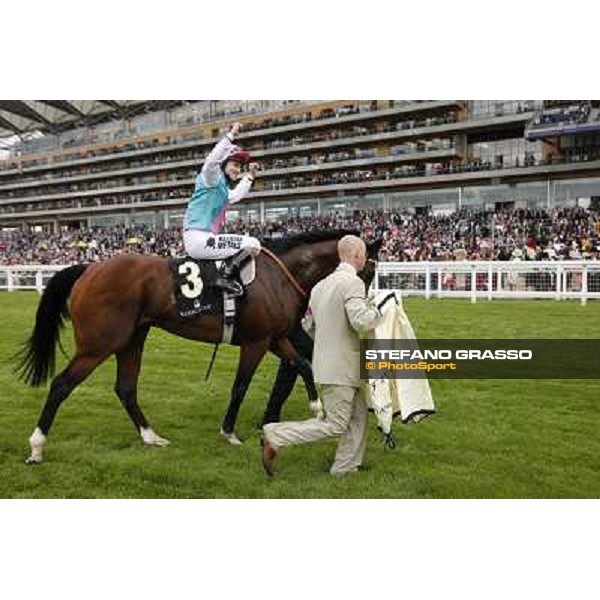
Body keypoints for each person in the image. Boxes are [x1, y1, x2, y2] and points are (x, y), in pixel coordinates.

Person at [262, 235, 383, 476]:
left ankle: (345, 467)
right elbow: (360, 322)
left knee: (358, 417)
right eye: (365, 256)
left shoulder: (319, 287)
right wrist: (382, 311)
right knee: (336, 424)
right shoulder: (354, 283)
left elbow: (308, 325)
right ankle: (276, 435)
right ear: (358, 255)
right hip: (342, 367)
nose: (365, 260)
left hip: (331, 365)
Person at [183, 122, 261, 296]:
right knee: (253, 244)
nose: (238, 169)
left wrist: (250, 176)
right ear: (224, 162)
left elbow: (235, 196)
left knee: (250, 243)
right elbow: (211, 161)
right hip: (198, 238)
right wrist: (231, 134)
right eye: (235, 164)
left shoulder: (223, 189)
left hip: (202, 238)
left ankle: (225, 276)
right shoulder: (212, 178)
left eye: (240, 167)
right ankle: (223, 276)